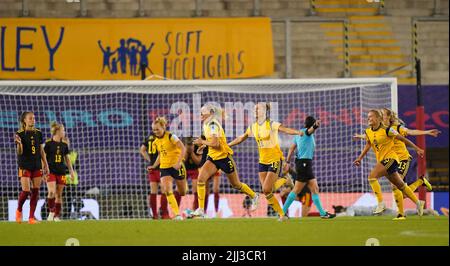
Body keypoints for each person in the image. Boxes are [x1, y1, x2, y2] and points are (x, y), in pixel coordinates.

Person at [354, 108, 440, 220]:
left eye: (383, 114)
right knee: (399, 187)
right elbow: (371, 138)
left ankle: (397, 212)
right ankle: (418, 198)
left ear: (387, 117)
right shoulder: (374, 130)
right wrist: (360, 141)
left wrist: (426, 133)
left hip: (401, 159)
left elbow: (410, 132)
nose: (381, 116)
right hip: (386, 159)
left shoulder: (395, 128)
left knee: (374, 177)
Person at [229, 102, 302, 221]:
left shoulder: (271, 124)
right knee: (268, 191)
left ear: (263, 111)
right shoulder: (253, 126)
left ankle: (284, 183)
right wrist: (229, 145)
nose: (255, 111)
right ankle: (282, 213)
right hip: (262, 161)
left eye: (257, 109)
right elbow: (241, 137)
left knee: (266, 189)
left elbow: (285, 129)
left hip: (275, 159)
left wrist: (297, 132)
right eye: (254, 109)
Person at [191, 104, 259, 218]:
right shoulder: (206, 124)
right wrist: (204, 146)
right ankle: (201, 209)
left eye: (202, 112)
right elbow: (211, 142)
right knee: (201, 179)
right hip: (213, 158)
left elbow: (215, 144)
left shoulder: (213, 125)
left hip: (224, 158)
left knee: (236, 185)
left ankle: (254, 195)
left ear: (211, 113)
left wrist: (202, 142)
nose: (200, 115)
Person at [283, 116, 336, 219]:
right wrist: (315, 126)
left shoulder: (298, 134)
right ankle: (282, 212)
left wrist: (288, 161)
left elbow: (291, 148)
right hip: (304, 164)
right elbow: (310, 131)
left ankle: (323, 213)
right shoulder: (306, 133)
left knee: (315, 188)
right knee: (297, 190)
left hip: (303, 163)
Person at [148, 117, 187, 220]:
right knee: (167, 190)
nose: (155, 131)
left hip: (176, 166)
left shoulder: (171, 136)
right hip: (165, 168)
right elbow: (161, 155)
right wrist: (154, 166)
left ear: (163, 127)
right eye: (154, 130)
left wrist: (179, 162)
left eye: (157, 129)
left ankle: (181, 210)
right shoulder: (156, 142)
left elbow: (183, 148)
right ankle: (177, 214)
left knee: (182, 192)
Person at [15, 112, 49, 224]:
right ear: (24, 120)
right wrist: (19, 144)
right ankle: (19, 210)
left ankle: (31, 218)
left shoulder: (39, 133)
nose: (33, 120)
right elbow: (19, 152)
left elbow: (41, 151)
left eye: (34, 118)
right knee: (26, 190)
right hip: (24, 165)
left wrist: (46, 165)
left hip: (37, 165)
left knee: (35, 191)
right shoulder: (19, 133)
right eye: (30, 118)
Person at [44, 122, 75, 222]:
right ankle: (51, 212)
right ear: (57, 131)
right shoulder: (48, 144)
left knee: (59, 194)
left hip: (61, 172)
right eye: (63, 130)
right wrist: (43, 170)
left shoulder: (64, 145)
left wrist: (71, 171)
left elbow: (67, 159)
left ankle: (57, 216)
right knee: (51, 192)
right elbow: (43, 157)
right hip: (50, 171)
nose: (64, 132)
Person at [140, 132, 169, 219]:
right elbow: (161, 153)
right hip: (161, 167)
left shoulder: (149, 137)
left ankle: (155, 215)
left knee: (153, 191)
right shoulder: (162, 137)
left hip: (152, 168)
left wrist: (149, 160)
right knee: (164, 191)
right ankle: (164, 214)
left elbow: (142, 150)